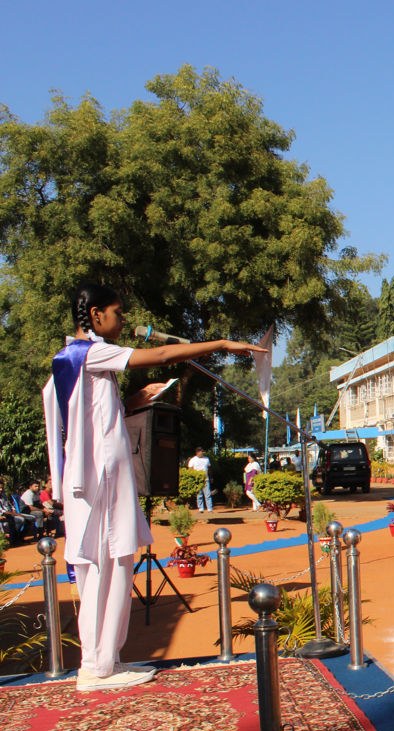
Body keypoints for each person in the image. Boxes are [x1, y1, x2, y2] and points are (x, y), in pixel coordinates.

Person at [42, 282, 266, 692]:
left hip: (97, 481)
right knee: (107, 564)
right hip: (101, 482)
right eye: (117, 312)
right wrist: (221, 344)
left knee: (111, 562)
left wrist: (128, 404)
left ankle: (104, 660)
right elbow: (162, 354)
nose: (122, 319)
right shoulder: (88, 352)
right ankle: (96, 667)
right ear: (95, 316)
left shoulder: (75, 361)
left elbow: (84, 418)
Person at [188, 447, 212, 512]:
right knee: (199, 494)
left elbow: (209, 468)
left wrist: (211, 477)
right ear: (197, 452)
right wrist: (192, 477)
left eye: (203, 452)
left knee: (208, 494)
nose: (202, 453)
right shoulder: (193, 460)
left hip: (205, 478)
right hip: (197, 479)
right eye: (201, 452)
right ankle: (201, 508)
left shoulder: (206, 459)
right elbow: (190, 469)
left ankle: (209, 508)